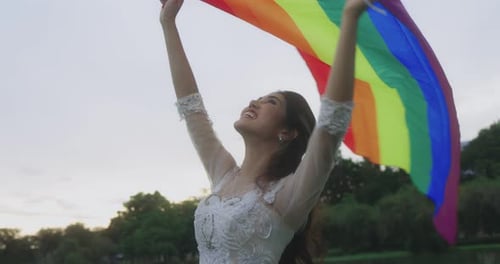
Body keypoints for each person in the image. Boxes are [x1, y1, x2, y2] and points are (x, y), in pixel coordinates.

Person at [160, 0, 373, 263]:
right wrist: (168, 23)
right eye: (259, 98)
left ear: (287, 132)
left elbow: (331, 125)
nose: (254, 102)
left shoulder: (288, 196)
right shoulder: (223, 174)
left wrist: (349, 18)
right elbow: (191, 108)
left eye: (270, 102)